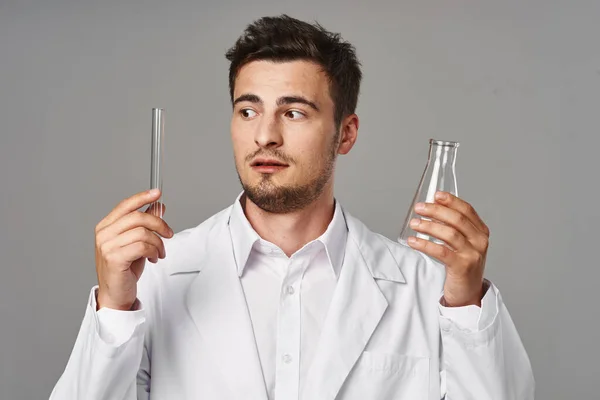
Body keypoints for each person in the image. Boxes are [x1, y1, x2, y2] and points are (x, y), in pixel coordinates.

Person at [50, 14, 534, 400]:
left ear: (346, 132)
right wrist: (113, 308)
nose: (265, 134)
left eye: (294, 112)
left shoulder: (428, 288)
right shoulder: (153, 278)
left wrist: (469, 304)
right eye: (248, 110)